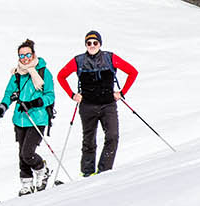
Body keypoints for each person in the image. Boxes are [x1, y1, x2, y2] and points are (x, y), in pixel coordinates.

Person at [56, 30, 139, 176]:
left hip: (108, 104)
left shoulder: (110, 58)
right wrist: (72, 95)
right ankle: (87, 172)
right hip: (87, 106)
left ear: (100, 44)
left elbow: (132, 72)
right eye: (89, 43)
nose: (92, 45)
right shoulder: (79, 60)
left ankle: (104, 170)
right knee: (89, 140)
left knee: (112, 136)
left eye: (95, 42)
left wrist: (122, 92)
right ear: (85, 45)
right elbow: (61, 76)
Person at [0, 39, 56, 196]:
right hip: (20, 118)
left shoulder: (43, 72)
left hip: (38, 118)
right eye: (21, 55)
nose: (25, 58)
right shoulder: (17, 75)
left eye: (28, 54)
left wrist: (35, 102)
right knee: (21, 153)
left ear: (33, 54)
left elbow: (50, 95)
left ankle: (42, 170)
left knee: (27, 153)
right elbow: (9, 94)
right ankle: (26, 184)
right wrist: (3, 107)